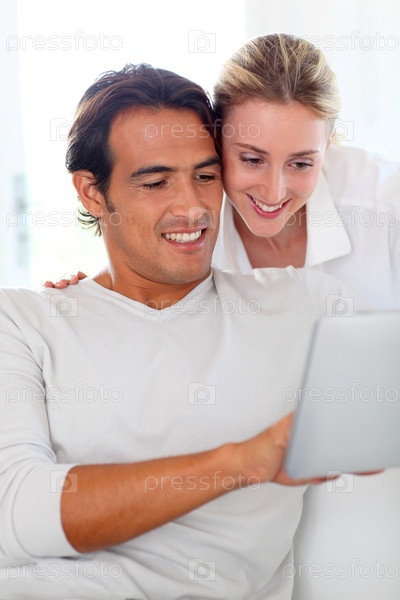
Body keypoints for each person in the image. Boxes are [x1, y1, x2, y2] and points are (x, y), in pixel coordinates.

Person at [52, 35, 400, 599]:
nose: (274, 190)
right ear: (217, 141)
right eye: (251, 159)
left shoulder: (385, 205)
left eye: (302, 163)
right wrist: (91, 297)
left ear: (329, 145)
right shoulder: (194, 226)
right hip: (260, 496)